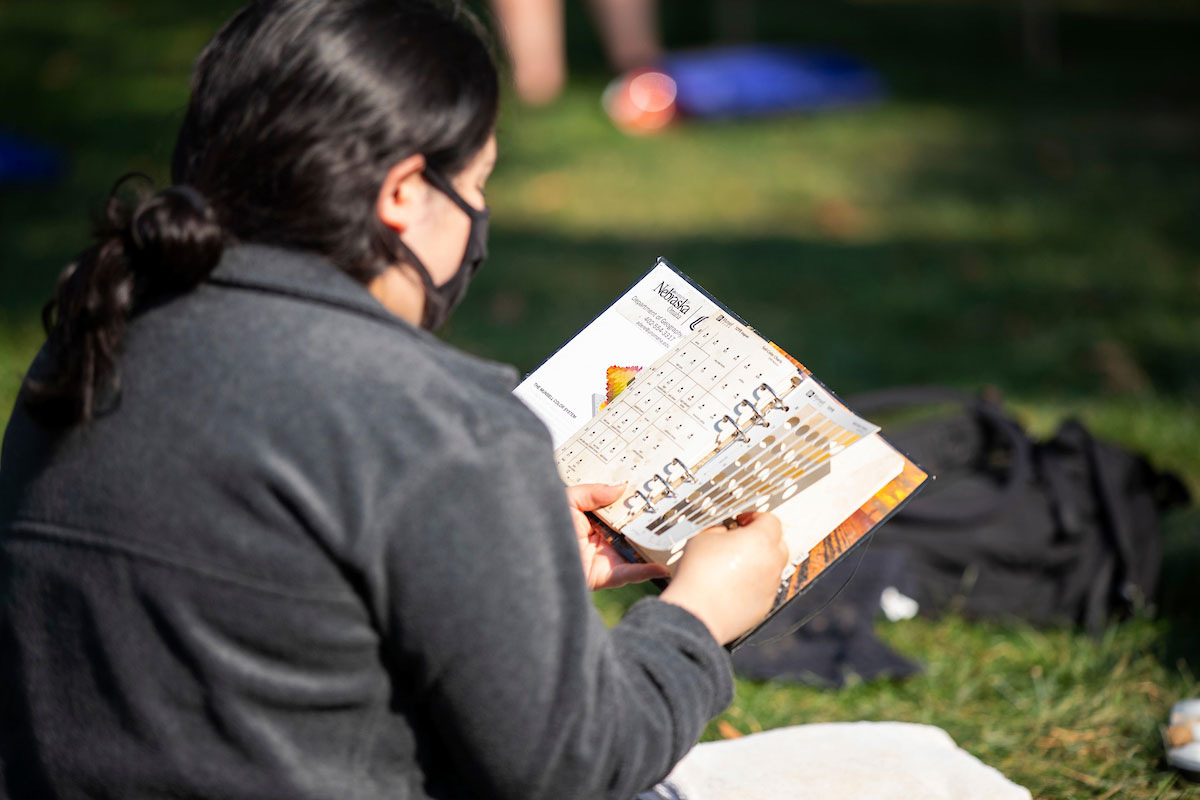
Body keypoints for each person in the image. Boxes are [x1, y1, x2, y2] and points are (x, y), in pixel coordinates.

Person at [0, 1, 788, 798]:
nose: (481, 218)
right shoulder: (438, 423)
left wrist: (493, 552)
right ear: (406, 192)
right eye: (477, 183)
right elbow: (571, 767)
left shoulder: (90, 344)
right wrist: (696, 617)